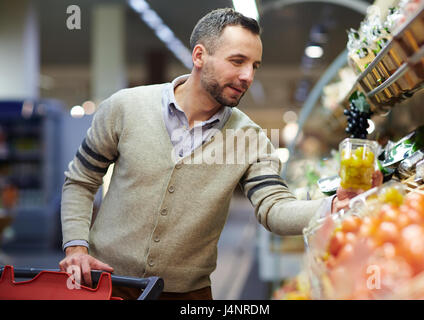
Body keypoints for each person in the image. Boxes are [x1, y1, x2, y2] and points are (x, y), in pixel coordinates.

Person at [59, 8, 380, 300]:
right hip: (104, 285)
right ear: (200, 55)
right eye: (237, 61)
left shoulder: (251, 138)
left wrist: (334, 204)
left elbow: (273, 207)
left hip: (187, 295)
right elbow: (81, 179)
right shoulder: (125, 107)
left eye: (254, 66)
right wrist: (76, 246)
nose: (248, 77)